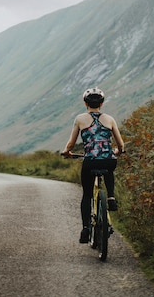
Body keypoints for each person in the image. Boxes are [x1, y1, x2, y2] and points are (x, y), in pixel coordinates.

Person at [62, 87, 124, 244]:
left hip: (90, 161)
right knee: (109, 165)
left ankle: (85, 229)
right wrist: (117, 151)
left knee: (87, 195)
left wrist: (67, 152)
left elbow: (71, 143)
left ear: (85, 103)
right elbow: (121, 145)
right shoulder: (110, 119)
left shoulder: (80, 119)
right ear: (102, 104)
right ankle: (110, 196)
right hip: (109, 160)